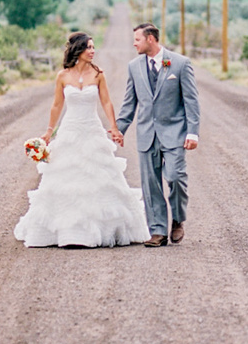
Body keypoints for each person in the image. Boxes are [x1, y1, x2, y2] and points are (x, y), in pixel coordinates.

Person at [14, 32, 149, 248]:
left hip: (92, 129)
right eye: (89, 47)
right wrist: (49, 132)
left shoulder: (98, 74)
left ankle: (99, 229)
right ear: (78, 50)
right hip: (70, 129)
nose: (93, 51)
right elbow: (57, 105)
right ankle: (67, 230)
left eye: (94, 47)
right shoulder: (63, 76)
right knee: (67, 177)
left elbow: (106, 102)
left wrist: (113, 127)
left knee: (98, 176)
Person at [116, 23, 200, 247]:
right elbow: (129, 103)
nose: (134, 43)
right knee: (150, 185)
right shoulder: (134, 67)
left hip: (175, 134)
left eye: (137, 39)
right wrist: (119, 129)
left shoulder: (180, 64)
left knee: (175, 177)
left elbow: (191, 101)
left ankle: (178, 219)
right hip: (146, 134)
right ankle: (158, 231)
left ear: (150, 39)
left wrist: (193, 132)